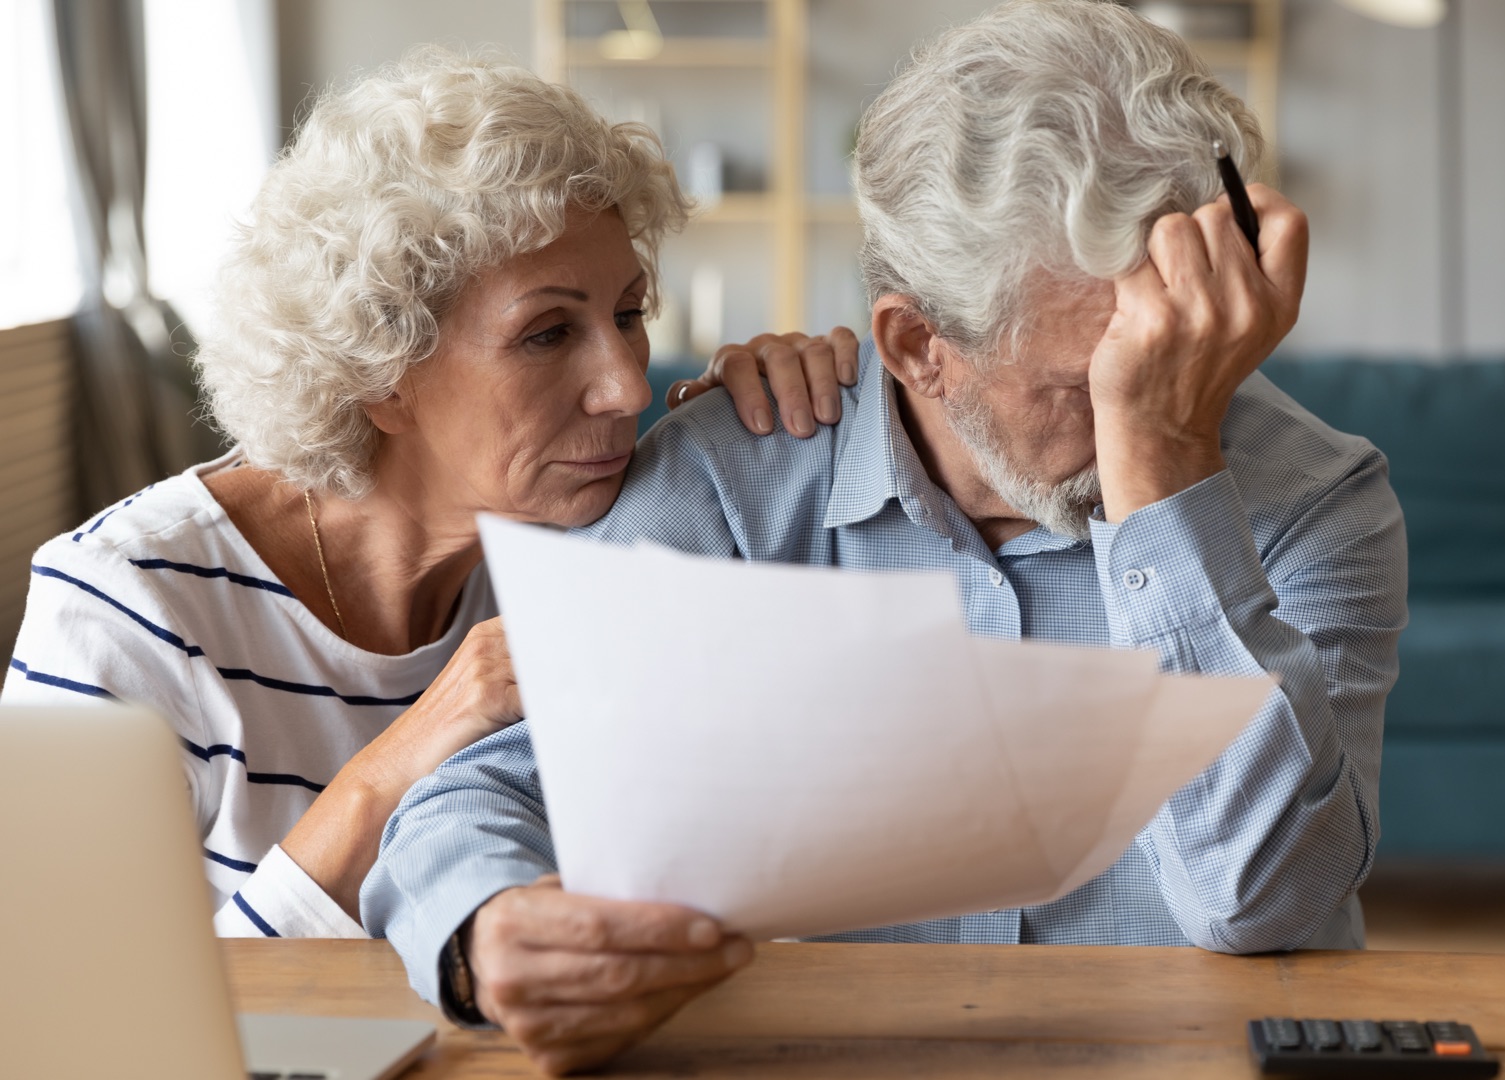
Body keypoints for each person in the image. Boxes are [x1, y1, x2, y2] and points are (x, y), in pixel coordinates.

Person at [362, 1, 1409, 1072]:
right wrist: (487, 931)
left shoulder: (1317, 497)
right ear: (919, 347)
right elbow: (480, 791)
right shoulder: (730, 482)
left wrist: (1168, 466)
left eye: (1162, 352)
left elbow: (1262, 903)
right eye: (1082, 383)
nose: (1138, 405)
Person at [0, 47, 849, 940]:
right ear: (381, 373)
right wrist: (394, 769)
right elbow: (58, 1020)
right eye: (549, 333)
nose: (627, 389)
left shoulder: (582, 540)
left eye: (628, 315)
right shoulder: (125, 610)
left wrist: (802, 422)